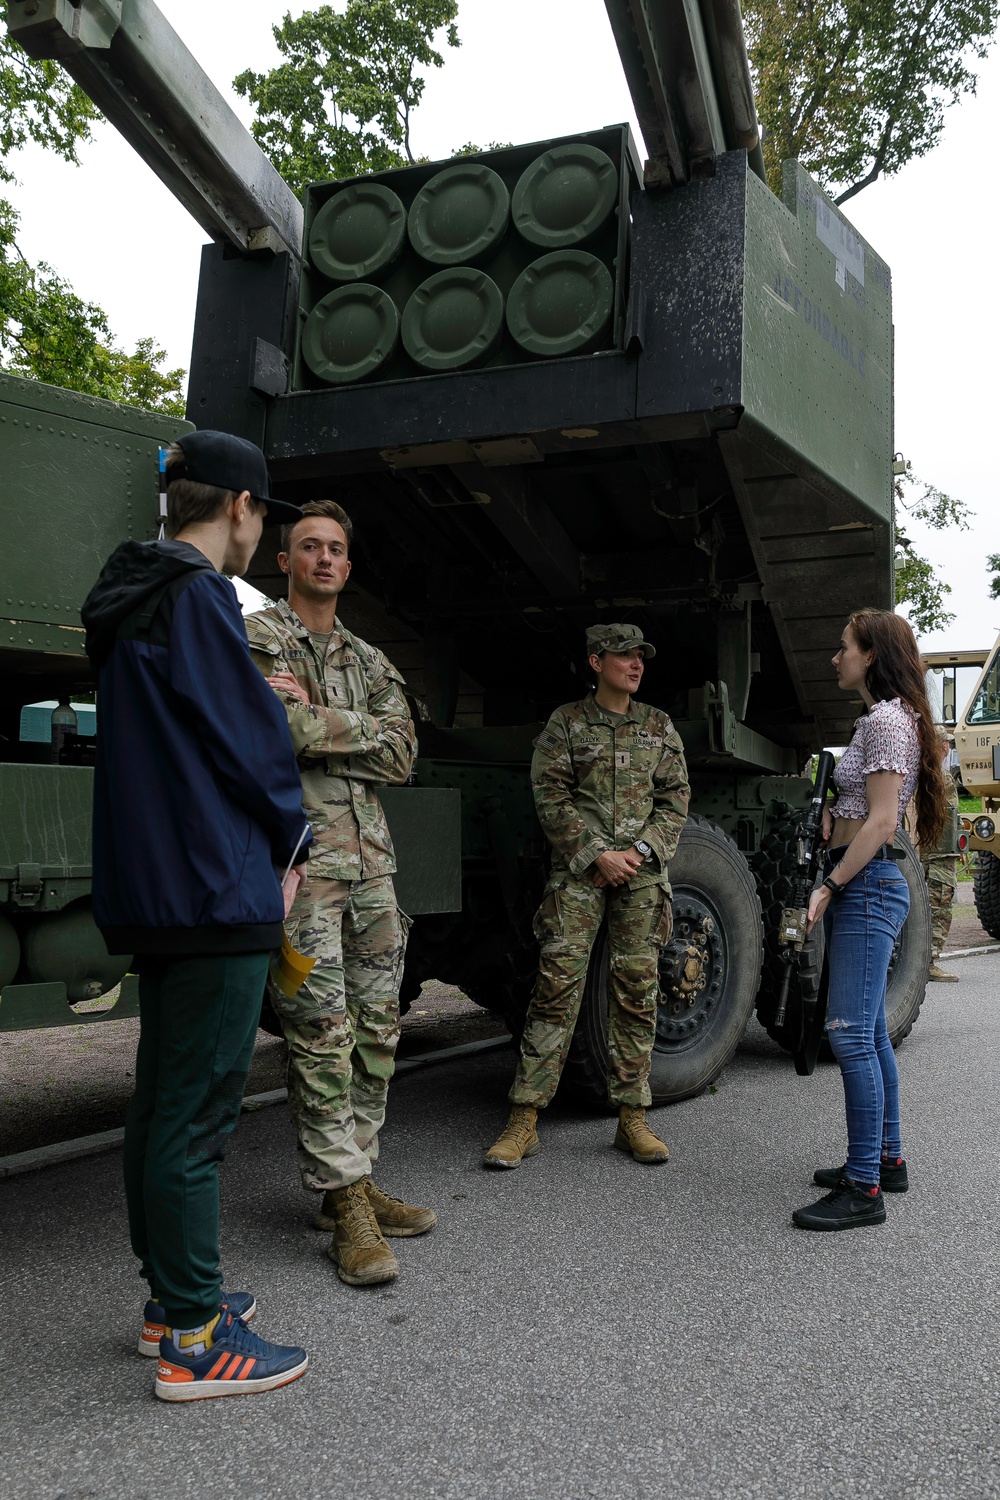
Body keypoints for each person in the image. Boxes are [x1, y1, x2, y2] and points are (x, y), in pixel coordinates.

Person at [81, 430, 313, 1401]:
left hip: (158, 888)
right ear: (244, 510)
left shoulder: (130, 596)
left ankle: (171, 1300)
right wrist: (292, 845)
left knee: (160, 1106)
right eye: (263, 519)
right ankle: (193, 1338)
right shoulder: (198, 596)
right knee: (198, 1116)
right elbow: (252, 745)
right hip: (216, 889)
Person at [245, 499, 431, 1290]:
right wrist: (344, 726)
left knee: (380, 1027)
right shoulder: (260, 638)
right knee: (320, 1032)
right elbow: (270, 729)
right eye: (308, 547)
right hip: (305, 868)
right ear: (285, 561)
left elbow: (404, 752)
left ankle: (353, 1177)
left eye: (335, 550)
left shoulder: (370, 655)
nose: (323, 559)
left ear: (348, 568)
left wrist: (316, 716)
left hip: (373, 870)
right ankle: (344, 1200)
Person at [483, 623, 690, 1169]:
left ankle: (632, 1118)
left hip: (641, 878)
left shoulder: (658, 726)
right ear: (597, 662)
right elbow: (548, 794)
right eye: (624, 656)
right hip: (579, 875)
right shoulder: (567, 724)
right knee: (555, 989)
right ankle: (524, 1118)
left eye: (641, 656)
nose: (636, 664)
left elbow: (675, 800)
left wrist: (639, 854)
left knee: (638, 992)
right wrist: (596, 854)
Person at [794, 608, 947, 1232]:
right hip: (870, 880)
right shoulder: (880, 722)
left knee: (850, 1033)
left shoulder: (885, 721)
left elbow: (885, 821)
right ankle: (887, 1159)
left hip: (868, 885)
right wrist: (836, 809)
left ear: (871, 656)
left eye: (844, 648)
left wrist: (829, 885)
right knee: (872, 1033)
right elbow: (868, 807)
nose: (835, 658)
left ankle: (865, 1189)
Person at [921, 731, 960, 982]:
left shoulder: (919, 775)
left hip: (926, 854)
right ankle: (930, 962)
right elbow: (948, 819)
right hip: (938, 856)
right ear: (943, 747)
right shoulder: (940, 778)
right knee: (939, 909)